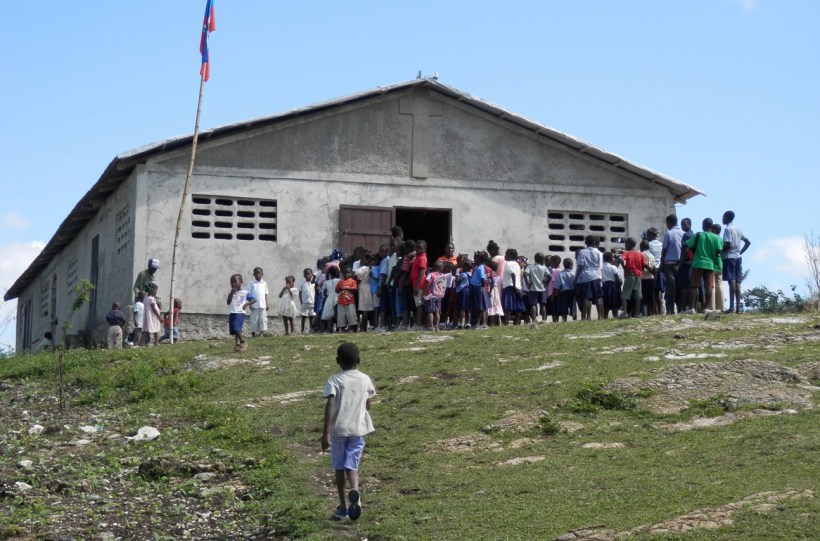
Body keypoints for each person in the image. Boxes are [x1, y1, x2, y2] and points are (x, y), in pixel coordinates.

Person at [321, 342, 375, 522]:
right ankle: (355, 490)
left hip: (339, 430)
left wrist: (325, 432)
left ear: (337, 361)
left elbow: (330, 404)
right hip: (358, 429)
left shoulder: (334, 380)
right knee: (352, 465)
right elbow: (367, 404)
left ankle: (343, 507)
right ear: (359, 360)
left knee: (338, 467)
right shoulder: (365, 379)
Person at [685, 218, 724, 314]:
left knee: (694, 286)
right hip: (710, 265)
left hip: (698, 263)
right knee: (709, 286)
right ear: (712, 226)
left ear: (703, 225)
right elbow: (719, 252)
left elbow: (688, 245)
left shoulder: (698, 235)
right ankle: (706, 308)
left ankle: (691, 308)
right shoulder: (717, 238)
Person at [722, 210, 751, 314]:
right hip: (738, 257)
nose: (722, 219)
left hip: (729, 257)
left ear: (727, 217)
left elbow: (728, 244)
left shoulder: (727, 229)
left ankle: (731, 307)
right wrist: (740, 252)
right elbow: (748, 242)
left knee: (731, 281)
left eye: (723, 217)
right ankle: (738, 308)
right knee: (738, 282)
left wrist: (720, 251)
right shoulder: (738, 229)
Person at [575, 235, 604, 320]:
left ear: (586, 242)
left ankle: (585, 317)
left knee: (586, 297)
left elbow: (580, 266)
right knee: (598, 296)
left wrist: (576, 279)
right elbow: (600, 267)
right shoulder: (599, 252)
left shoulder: (582, 252)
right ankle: (600, 316)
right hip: (596, 276)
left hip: (585, 277)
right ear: (595, 242)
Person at [660, 214, 684, 315]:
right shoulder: (683, 233)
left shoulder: (668, 234)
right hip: (680, 264)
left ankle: (670, 310)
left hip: (669, 264)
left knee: (670, 288)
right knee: (680, 288)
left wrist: (662, 263)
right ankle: (680, 308)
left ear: (669, 222)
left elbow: (664, 250)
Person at [227, 273, 256, 352]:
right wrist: (231, 294)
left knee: (236, 328)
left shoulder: (245, 292)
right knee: (236, 330)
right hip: (233, 313)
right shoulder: (231, 293)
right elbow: (228, 302)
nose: (233, 284)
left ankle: (243, 342)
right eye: (231, 282)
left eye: (235, 282)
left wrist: (247, 304)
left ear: (241, 282)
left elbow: (254, 299)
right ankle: (237, 345)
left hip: (240, 313)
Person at [619, 238, 644, 319]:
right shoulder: (640, 254)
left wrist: (624, 267)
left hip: (630, 276)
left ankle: (625, 313)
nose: (625, 246)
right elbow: (644, 264)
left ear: (629, 245)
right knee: (638, 296)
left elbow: (621, 259)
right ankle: (637, 314)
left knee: (624, 295)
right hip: (638, 276)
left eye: (625, 244)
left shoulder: (626, 253)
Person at [524, 253, 549, 325]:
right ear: (542, 260)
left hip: (533, 288)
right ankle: (544, 319)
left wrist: (527, 283)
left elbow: (525, 274)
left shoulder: (530, 267)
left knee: (533, 305)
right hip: (542, 289)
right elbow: (549, 276)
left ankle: (534, 320)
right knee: (543, 305)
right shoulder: (543, 268)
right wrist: (545, 284)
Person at [501, 248, 525, 325]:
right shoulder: (517, 264)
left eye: (506, 254)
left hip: (509, 286)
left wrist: (514, 286)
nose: (505, 255)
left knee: (508, 306)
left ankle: (506, 322)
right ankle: (516, 323)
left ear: (510, 255)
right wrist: (517, 285)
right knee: (518, 306)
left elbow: (513, 274)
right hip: (518, 287)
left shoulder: (508, 264)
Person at [248, 267, 270, 338]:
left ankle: (262, 333)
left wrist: (267, 303)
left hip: (263, 305)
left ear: (262, 274)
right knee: (254, 320)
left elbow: (266, 294)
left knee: (263, 319)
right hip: (254, 305)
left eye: (259, 273)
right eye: (256, 273)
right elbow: (249, 294)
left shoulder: (264, 283)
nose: (258, 274)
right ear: (253, 274)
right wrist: (250, 304)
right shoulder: (251, 283)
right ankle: (253, 334)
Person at [411, 240, 428, 327]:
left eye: (420, 248)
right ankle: (420, 323)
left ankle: (418, 324)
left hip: (420, 285)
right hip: (417, 285)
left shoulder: (422, 258)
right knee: (418, 305)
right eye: (417, 248)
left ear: (425, 249)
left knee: (419, 305)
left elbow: (422, 273)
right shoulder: (418, 257)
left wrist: (417, 287)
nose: (418, 250)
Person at [336, 268, 359, 333]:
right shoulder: (340, 282)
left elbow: (355, 288)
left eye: (348, 273)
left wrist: (346, 288)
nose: (346, 274)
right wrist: (339, 289)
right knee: (341, 316)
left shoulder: (352, 281)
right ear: (342, 273)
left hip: (350, 301)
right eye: (345, 273)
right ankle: (342, 328)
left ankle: (351, 328)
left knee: (351, 315)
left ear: (351, 274)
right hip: (341, 301)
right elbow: (336, 290)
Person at [553, 258, 576, 323]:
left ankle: (564, 320)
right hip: (572, 292)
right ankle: (574, 318)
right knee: (573, 306)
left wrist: (557, 292)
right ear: (571, 265)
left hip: (563, 292)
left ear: (563, 265)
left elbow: (558, 284)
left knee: (564, 307)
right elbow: (576, 283)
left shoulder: (560, 274)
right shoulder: (573, 273)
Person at [601, 252, 622, 319]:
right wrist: (619, 284)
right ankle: (615, 317)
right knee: (614, 304)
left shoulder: (601, 267)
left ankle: (605, 318)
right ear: (611, 259)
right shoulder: (613, 267)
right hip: (613, 287)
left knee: (606, 304)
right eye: (613, 257)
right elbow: (617, 278)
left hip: (604, 286)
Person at [639, 240, 657, 316]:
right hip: (651, 278)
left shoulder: (641, 255)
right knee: (651, 297)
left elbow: (641, 266)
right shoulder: (652, 256)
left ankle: (644, 313)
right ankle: (652, 313)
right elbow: (654, 268)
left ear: (642, 247)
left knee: (643, 297)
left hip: (643, 278)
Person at [299, 268, 316, 334]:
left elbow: (315, 292)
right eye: (305, 274)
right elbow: (300, 293)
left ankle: (311, 330)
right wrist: (301, 301)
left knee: (311, 317)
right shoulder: (303, 284)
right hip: (305, 303)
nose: (307, 276)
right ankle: (302, 330)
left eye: (308, 274)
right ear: (304, 275)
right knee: (303, 317)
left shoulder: (314, 283)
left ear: (312, 274)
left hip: (312, 302)